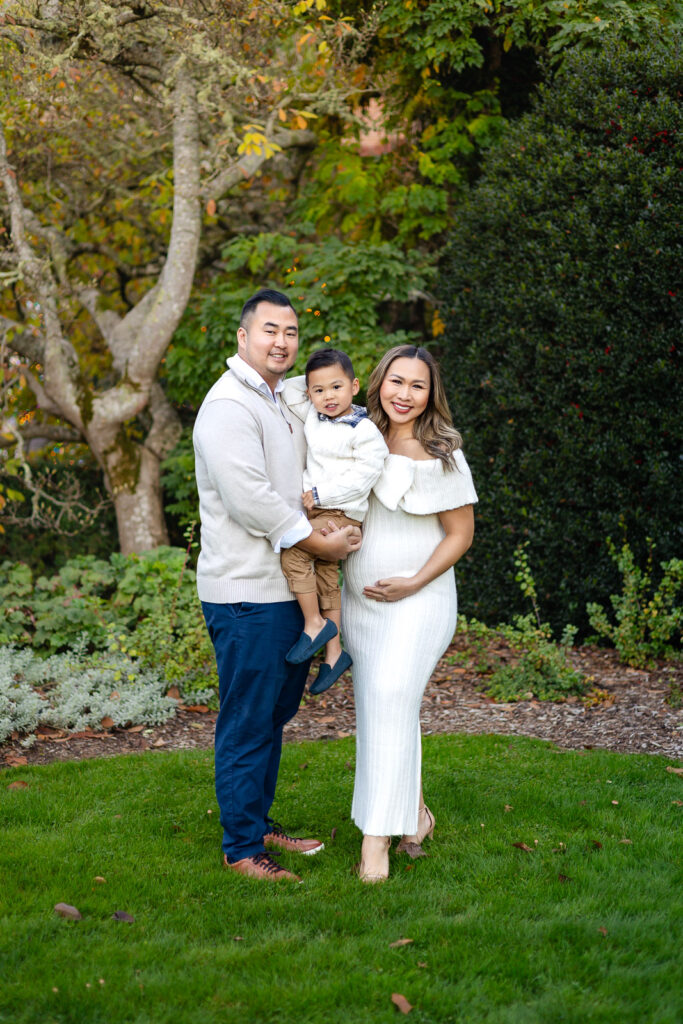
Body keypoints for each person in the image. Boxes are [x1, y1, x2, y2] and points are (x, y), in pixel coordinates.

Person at [193, 289, 362, 883]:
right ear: (243, 337)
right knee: (247, 721)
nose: (282, 342)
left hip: (284, 592)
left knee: (271, 715)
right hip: (245, 594)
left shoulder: (281, 396)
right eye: (270, 331)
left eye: (290, 333)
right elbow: (249, 500)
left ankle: (258, 822)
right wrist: (320, 544)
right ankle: (242, 849)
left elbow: (328, 399)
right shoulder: (227, 408)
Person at [341, 345, 478, 882]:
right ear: (378, 384)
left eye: (416, 386)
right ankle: (415, 813)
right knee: (381, 707)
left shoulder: (441, 451)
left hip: (421, 600)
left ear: (430, 394)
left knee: (393, 696)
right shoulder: (356, 437)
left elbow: (461, 533)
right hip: (363, 606)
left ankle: (375, 842)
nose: (404, 394)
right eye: (395, 382)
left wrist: (414, 581)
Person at [280, 348, 388, 694]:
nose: (328, 396)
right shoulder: (314, 414)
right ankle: (334, 652)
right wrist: (315, 379)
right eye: (319, 390)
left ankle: (314, 624)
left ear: (354, 386)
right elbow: (291, 387)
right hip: (321, 510)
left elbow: (366, 475)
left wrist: (320, 494)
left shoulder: (363, 428)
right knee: (326, 572)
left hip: (340, 510)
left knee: (295, 553)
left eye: (337, 387)